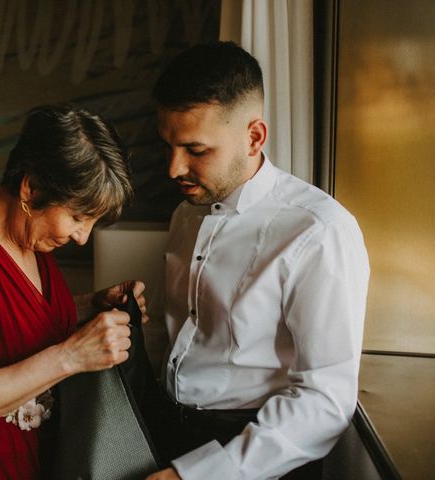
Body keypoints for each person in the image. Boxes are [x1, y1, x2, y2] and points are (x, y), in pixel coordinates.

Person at [145, 42, 370, 479]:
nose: (174, 168)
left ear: (254, 137)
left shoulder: (319, 232)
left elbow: (325, 398)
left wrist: (198, 475)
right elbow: (177, 332)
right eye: (168, 146)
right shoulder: (186, 212)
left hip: (256, 455)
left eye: (195, 149)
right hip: (166, 435)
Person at [0, 104, 147, 479]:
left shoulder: (34, 241)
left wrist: (89, 306)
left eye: (93, 222)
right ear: (31, 187)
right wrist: (71, 356)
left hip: (38, 461)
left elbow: (5, 323)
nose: (82, 238)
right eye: (77, 217)